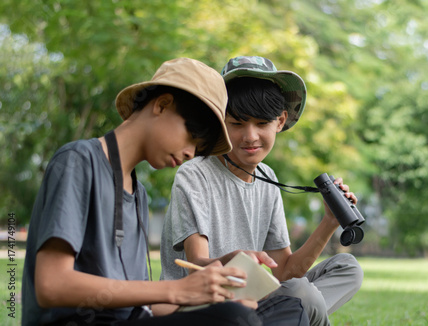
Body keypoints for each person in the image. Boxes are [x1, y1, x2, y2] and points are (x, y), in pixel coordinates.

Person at [21, 58, 267, 326]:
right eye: (192, 136)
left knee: (247, 313)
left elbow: (143, 303)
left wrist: (211, 291)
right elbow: (52, 285)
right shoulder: (79, 161)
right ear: (161, 105)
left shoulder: (139, 196)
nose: (190, 154)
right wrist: (177, 290)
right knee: (235, 319)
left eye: (198, 148)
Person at [160, 56, 364, 326]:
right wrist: (236, 260)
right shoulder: (195, 174)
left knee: (347, 269)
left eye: (262, 123)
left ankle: (286, 315)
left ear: (279, 122)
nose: (250, 136)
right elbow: (197, 263)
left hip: (255, 300)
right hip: (202, 307)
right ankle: (288, 315)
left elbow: (286, 272)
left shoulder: (267, 177)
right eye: (236, 124)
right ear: (220, 121)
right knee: (302, 295)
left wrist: (329, 222)